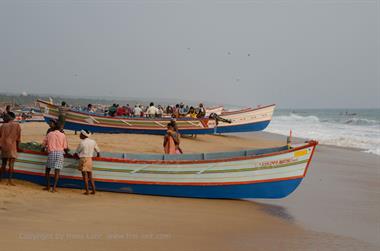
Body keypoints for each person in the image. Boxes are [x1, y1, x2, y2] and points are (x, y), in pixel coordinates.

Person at [42, 124, 69, 192]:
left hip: (51, 153)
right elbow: (65, 147)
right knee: (57, 172)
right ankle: (54, 188)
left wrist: (43, 149)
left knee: (48, 170)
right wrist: (67, 153)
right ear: (60, 128)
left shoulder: (50, 134)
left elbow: (44, 144)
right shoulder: (63, 135)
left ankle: (48, 186)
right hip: (60, 154)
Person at [74, 130, 100, 195]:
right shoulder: (93, 141)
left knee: (85, 177)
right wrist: (97, 156)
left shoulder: (82, 143)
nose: (79, 135)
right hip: (90, 159)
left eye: (80, 134)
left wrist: (76, 156)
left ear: (83, 135)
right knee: (90, 176)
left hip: (83, 159)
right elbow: (98, 151)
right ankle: (94, 190)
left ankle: (87, 191)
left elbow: (76, 153)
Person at [0, 113, 21, 185]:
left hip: (4, 146)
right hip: (12, 146)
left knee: (3, 164)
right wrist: (18, 148)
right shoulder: (17, 125)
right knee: (11, 164)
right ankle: (9, 180)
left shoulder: (2, 126)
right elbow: (18, 138)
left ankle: (0, 179)